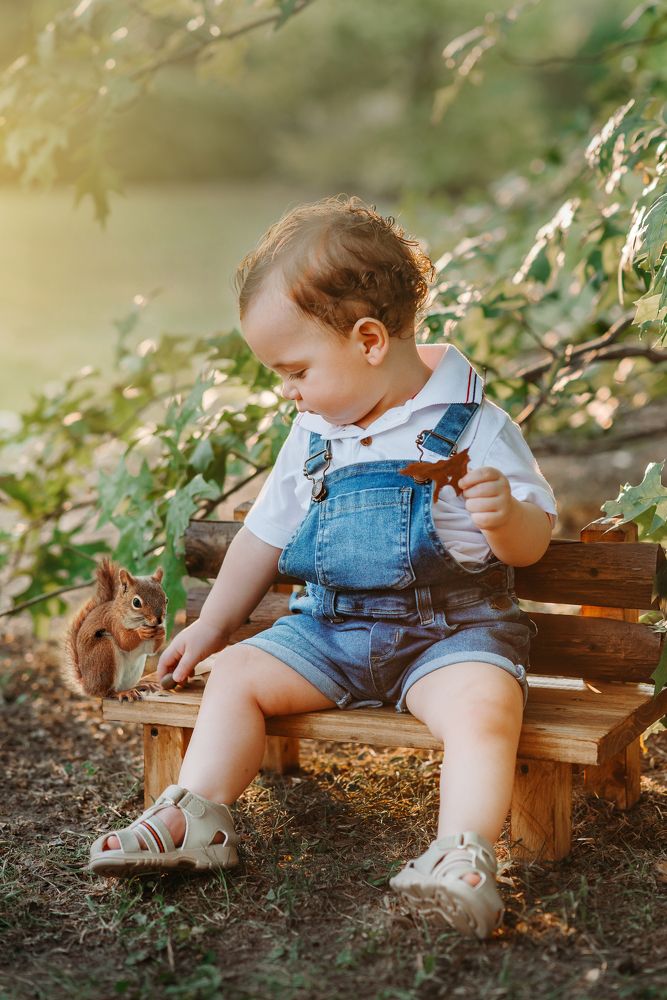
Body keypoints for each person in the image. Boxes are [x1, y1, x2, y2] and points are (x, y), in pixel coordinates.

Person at [88, 195, 556, 939]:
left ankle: (460, 855)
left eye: (295, 369)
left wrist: (505, 518)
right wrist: (214, 624)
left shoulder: (471, 425)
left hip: (449, 636)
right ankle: (197, 816)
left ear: (369, 339)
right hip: (330, 631)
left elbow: (532, 543)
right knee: (237, 676)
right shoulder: (314, 433)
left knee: (482, 707)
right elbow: (261, 540)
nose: (289, 392)